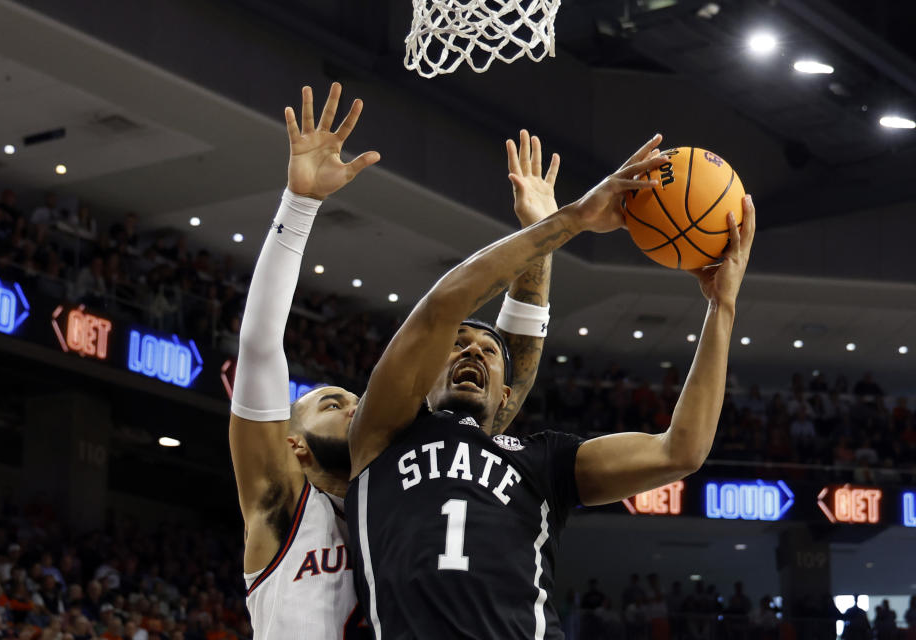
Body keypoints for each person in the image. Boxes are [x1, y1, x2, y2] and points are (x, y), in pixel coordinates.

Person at [345, 133, 756, 638]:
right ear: (420, 377)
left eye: (490, 350)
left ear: (509, 396)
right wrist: (570, 221)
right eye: (457, 344)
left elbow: (682, 451)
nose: (473, 349)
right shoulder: (382, 432)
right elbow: (442, 307)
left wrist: (722, 307)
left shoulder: (542, 461)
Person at [228, 83, 553, 640]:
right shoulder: (280, 504)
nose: (356, 406)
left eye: (354, 398)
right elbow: (259, 346)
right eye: (332, 403)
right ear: (294, 443)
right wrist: (300, 204)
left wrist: (539, 237)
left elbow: (503, 380)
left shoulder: (404, 491)